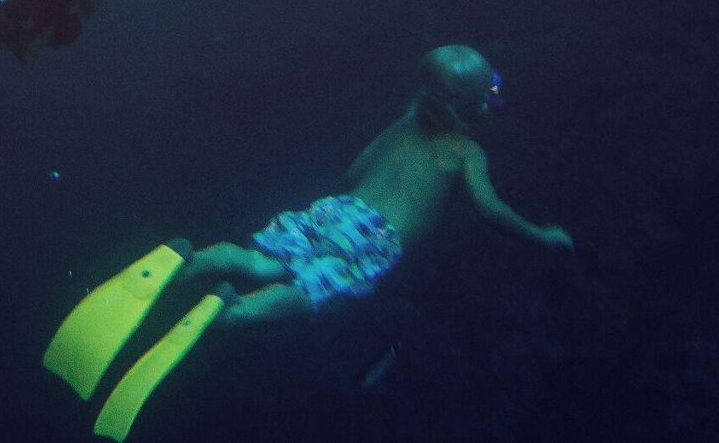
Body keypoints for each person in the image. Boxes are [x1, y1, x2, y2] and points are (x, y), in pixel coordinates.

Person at [42, 45, 570, 440]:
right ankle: (228, 312)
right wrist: (539, 234)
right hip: (374, 241)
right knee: (316, 289)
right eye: (490, 93)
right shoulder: (465, 152)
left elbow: (353, 170)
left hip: (334, 211)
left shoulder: (403, 124)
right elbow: (490, 209)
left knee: (258, 258)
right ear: (472, 106)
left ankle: (196, 260)